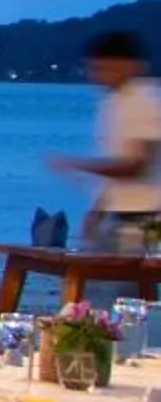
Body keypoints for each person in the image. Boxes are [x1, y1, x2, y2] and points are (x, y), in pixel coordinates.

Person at [48, 30, 161, 251]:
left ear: (130, 66)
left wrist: (77, 164)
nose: (96, 75)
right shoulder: (115, 102)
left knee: (123, 281)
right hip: (123, 214)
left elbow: (137, 166)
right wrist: (98, 210)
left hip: (147, 218)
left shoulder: (145, 101)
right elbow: (120, 163)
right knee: (110, 281)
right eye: (93, 68)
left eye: (103, 68)